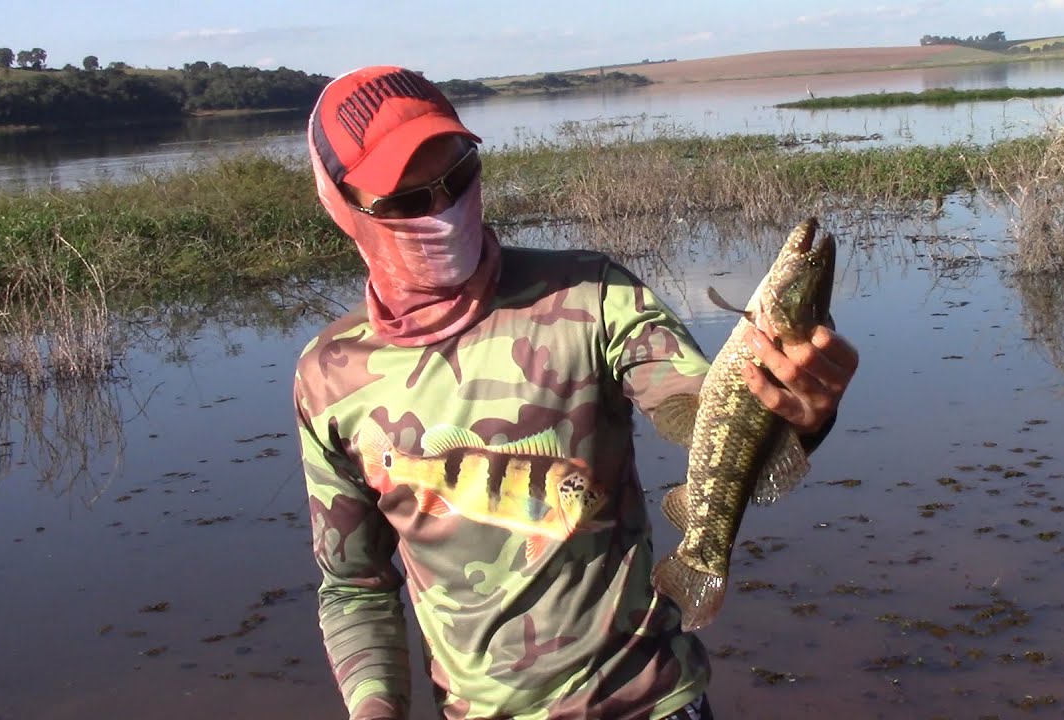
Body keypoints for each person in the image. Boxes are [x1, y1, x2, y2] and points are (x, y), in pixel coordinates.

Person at [294, 66, 859, 720]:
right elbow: (355, 588)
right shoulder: (329, 377)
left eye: (458, 177)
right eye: (405, 200)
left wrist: (799, 412)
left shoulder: (594, 294)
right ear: (340, 205)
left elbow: (701, 413)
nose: (443, 210)